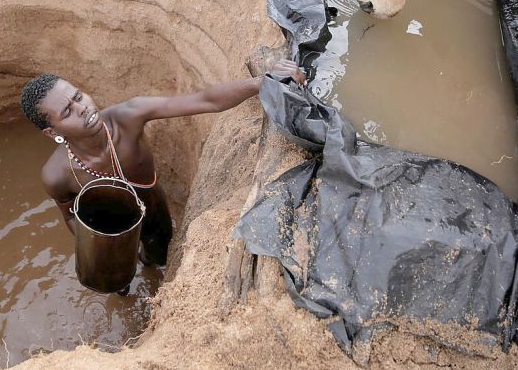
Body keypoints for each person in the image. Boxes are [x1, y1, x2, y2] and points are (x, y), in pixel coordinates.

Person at [20, 60, 306, 267]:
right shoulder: (56, 175)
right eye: (68, 111)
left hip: (154, 213)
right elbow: (70, 215)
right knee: (112, 282)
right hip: (107, 232)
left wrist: (260, 82)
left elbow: (205, 101)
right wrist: (98, 247)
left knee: (159, 259)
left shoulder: (128, 117)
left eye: (79, 96)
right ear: (53, 132)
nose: (84, 109)